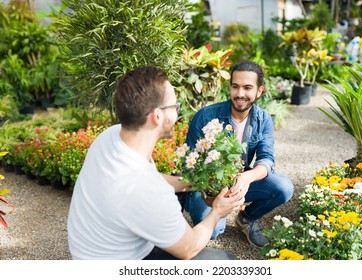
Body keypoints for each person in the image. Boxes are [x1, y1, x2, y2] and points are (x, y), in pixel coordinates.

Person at [67, 66, 244, 260]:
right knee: (226, 262)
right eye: (175, 107)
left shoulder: (110, 138)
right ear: (157, 116)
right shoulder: (149, 191)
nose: (178, 113)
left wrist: (189, 183)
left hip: (90, 255)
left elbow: (152, 177)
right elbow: (189, 248)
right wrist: (217, 211)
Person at [184, 60, 294, 248]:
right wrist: (210, 188)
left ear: (259, 91)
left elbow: (266, 160)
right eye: (235, 87)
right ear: (230, 87)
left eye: (247, 88)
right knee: (213, 232)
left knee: (283, 187)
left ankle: (245, 219)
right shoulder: (205, 116)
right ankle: (218, 213)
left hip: (239, 181)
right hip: (207, 187)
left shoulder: (263, 119)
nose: (240, 94)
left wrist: (246, 178)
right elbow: (188, 163)